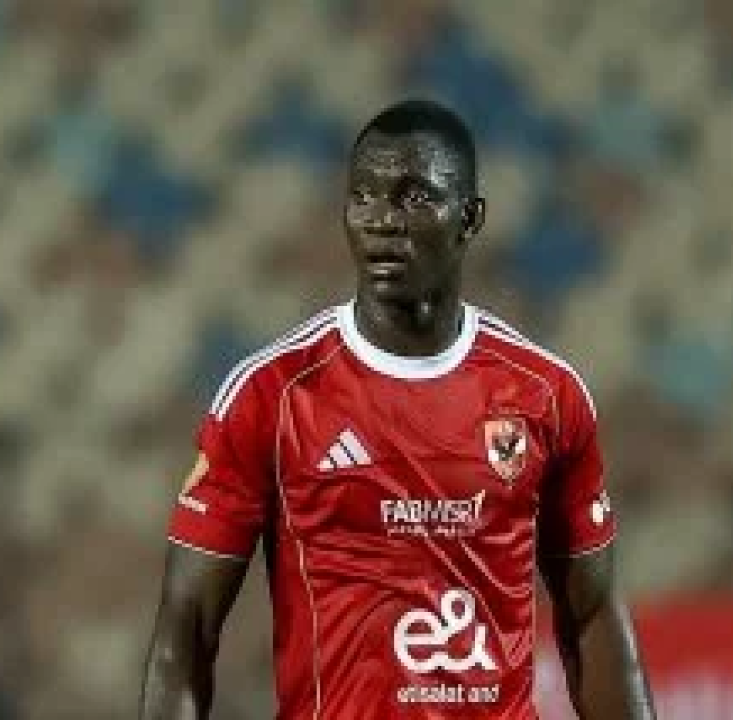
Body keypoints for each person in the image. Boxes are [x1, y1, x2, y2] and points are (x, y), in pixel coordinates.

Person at [140, 99, 655, 719]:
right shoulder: (271, 394)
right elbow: (185, 630)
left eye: (413, 198)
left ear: (469, 218)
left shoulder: (545, 393)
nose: (383, 221)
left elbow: (593, 614)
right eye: (364, 198)